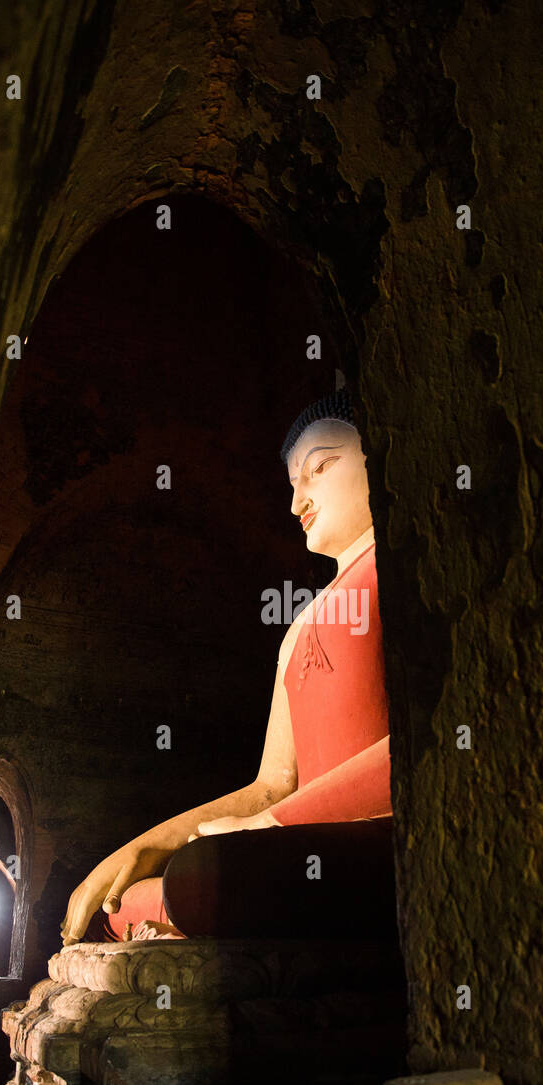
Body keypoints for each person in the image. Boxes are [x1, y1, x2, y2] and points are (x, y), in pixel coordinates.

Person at [59, 390, 393, 947]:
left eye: (321, 466)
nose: (298, 502)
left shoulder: (405, 568)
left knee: (207, 879)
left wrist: (269, 828)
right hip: (286, 847)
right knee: (134, 895)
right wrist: (145, 848)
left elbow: (421, 750)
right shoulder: (298, 627)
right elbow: (272, 784)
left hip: (366, 835)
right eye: (292, 484)